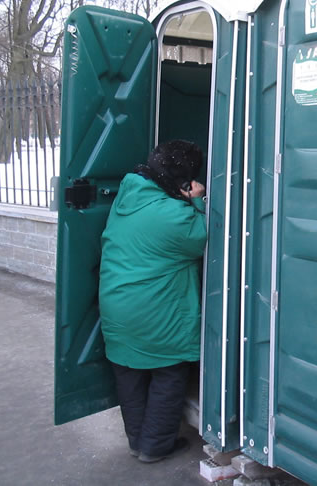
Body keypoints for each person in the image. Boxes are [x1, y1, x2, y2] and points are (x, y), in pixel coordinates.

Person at [98, 139, 207, 463]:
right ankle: (155, 447)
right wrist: (198, 201)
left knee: (129, 373)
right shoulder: (174, 215)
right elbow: (200, 239)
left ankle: (137, 441)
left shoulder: (128, 194)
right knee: (169, 371)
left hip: (116, 304)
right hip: (154, 311)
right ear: (182, 181)